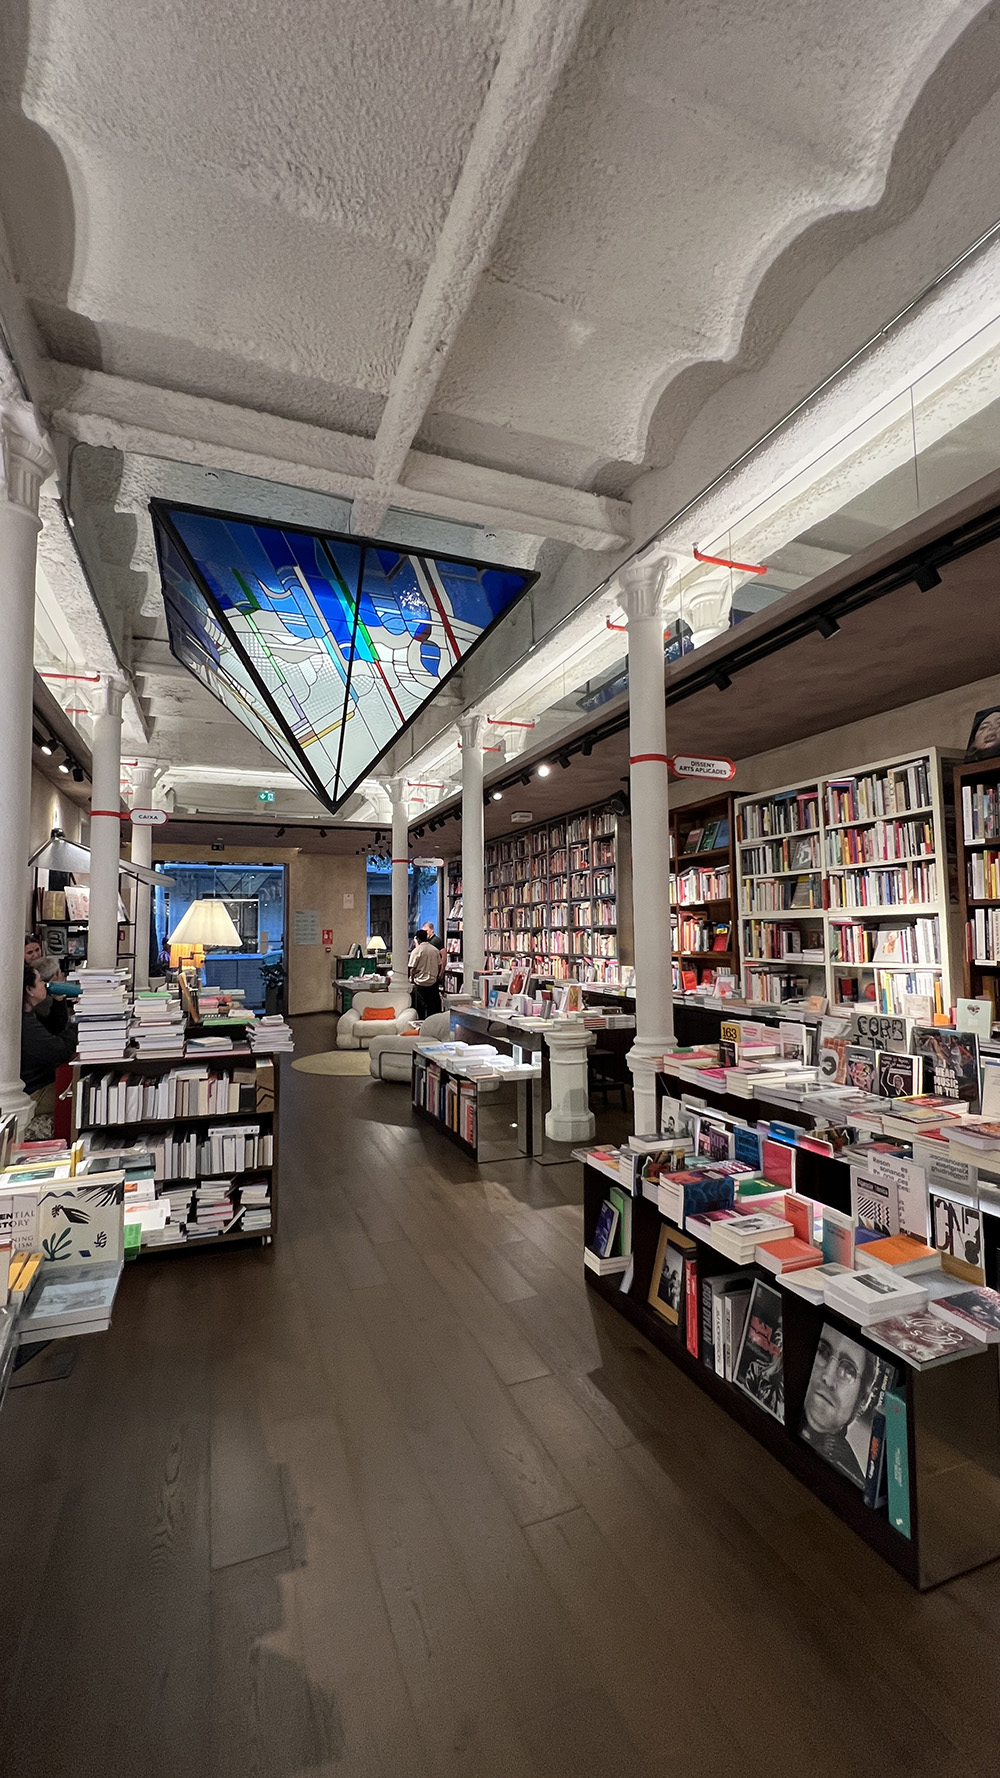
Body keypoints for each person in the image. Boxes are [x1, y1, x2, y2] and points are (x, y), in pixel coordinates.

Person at [799, 1326, 879, 1485]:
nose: (828, 1378)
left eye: (848, 1371)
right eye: (822, 1352)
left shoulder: (855, 1479)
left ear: (863, 1400)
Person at [21, 962, 77, 1117]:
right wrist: (78, 1022)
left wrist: (59, 1002)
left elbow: (54, 1029)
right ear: (29, 990)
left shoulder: (30, 1015)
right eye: (39, 981)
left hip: (42, 1082)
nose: (45, 985)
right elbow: (60, 1051)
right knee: (81, 1095)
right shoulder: (25, 1024)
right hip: (36, 1091)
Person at [409, 931, 443, 1020]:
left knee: (420, 1009)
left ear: (417, 939)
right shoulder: (435, 950)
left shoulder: (416, 951)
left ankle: (421, 1027)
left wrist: (412, 978)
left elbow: (412, 968)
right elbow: (439, 964)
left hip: (420, 983)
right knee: (432, 1008)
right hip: (432, 982)